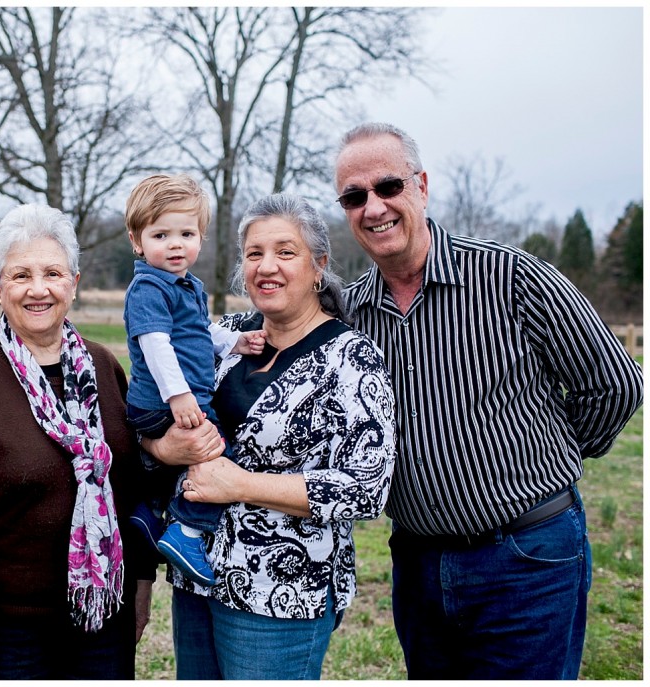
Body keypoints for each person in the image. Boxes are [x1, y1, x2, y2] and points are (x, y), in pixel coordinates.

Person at [333, 121, 644, 679]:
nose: (373, 207)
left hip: (527, 558)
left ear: (421, 186)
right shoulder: (352, 314)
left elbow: (615, 383)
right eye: (354, 197)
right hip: (418, 564)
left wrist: (551, 457)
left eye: (388, 187)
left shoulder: (512, 276)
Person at [143, 193, 397, 680]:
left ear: (319, 265)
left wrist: (239, 485)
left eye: (285, 252)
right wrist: (160, 447)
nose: (267, 267)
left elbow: (366, 487)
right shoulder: (225, 336)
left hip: (280, 592)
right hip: (197, 578)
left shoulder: (351, 359)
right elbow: (155, 405)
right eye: (254, 253)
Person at [0, 203, 158, 680]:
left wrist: (140, 584)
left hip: (104, 616)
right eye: (20, 275)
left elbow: (132, 489)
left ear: (73, 281)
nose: (38, 289)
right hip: (12, 631)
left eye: (52, 272)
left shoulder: (105, 370)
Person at [122, 173, 264, 586]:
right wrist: (180, 396)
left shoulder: (188, 286)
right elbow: (156, 345)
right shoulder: (149, 286)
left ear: (201, 237)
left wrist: (235, 341)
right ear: (137, 240)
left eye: (186, 233)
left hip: (175, 401)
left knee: (181, 465)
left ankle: (146, 514)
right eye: (161, 234)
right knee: (220, 456)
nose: (175, 244)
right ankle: (186, 532)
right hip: (164, 403)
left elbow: (200, 330)